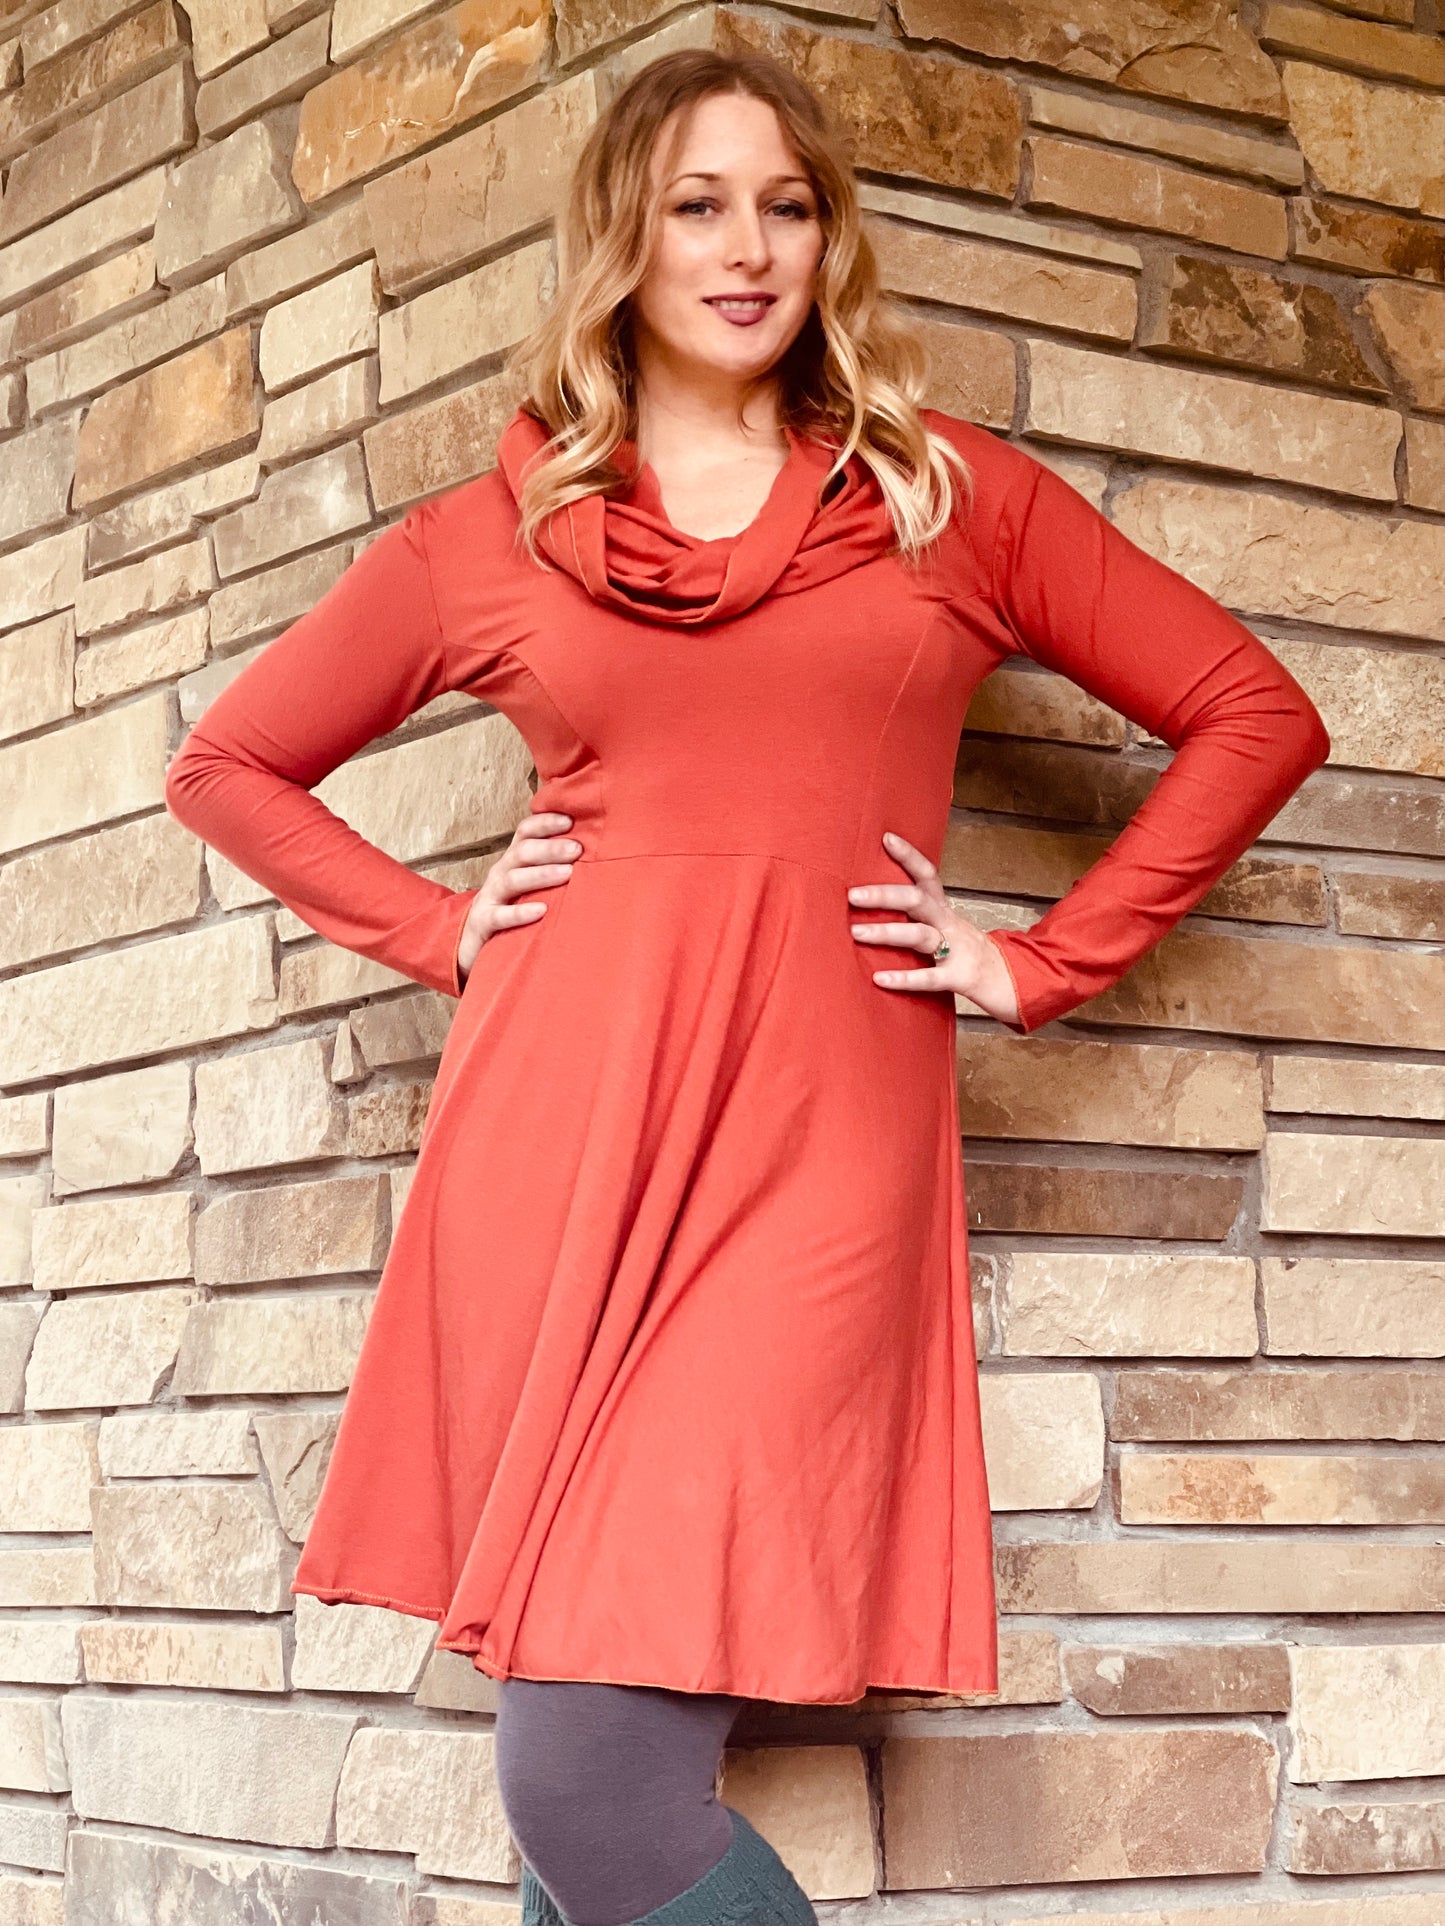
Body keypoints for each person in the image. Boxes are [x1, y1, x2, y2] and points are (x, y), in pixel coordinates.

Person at [162, 46, 1331, 1926]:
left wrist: (1033, 960)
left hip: (814, 1148)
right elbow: (226, 764)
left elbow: (1251, 713)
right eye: (697, 206)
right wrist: (441, 927)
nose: (746, 247)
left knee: (586, 1768)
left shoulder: (946, 501)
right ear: (622, 240)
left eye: (787, 207)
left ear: (827, 239)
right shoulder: (498, 531)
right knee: (576, 1751)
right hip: (558, 1138)